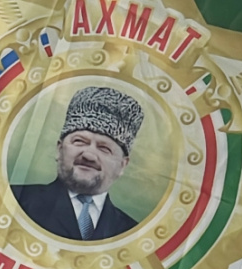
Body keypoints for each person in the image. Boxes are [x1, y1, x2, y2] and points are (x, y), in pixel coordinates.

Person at [11, 86, 144, 241]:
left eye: (104, 148)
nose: (89, 155)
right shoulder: (12, 201)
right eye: (79, 141)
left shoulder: (135, 235)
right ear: (59, 149)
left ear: (122, 165)